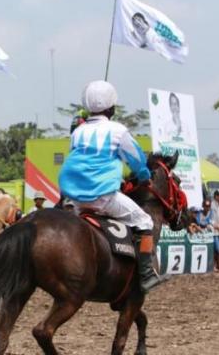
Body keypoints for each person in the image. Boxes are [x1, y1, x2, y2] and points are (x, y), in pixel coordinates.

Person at [58, 80, 167, 293]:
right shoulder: (118, 130)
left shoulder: (77, 133)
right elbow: (136, 160)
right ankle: (146, 275)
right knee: (144, 221)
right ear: (112, 108)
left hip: (76, 199)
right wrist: (144, 176)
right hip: (104, 197)